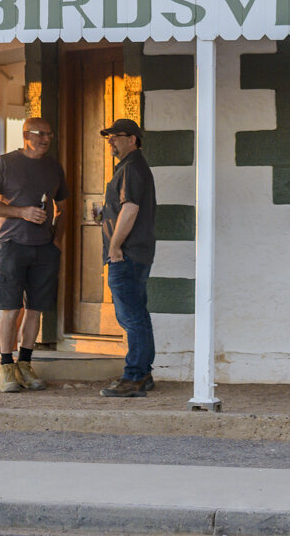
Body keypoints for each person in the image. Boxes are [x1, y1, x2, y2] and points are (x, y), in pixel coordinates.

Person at [0, 116, 70, 393]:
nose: (45, 139)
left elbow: (63, 207)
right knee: (10, 308)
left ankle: (26, 364)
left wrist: (57, 240)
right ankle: (6, 367)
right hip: (12, 245)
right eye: (40, 133)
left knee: (36, 309)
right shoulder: (4, 163)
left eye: (49, 134)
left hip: (44, 249)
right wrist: (21, 212)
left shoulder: (54, 168)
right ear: (25, 135)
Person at [95, 118, 158, 398]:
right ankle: (141, 374)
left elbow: (130, 209)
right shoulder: (131, 167)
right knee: (137, 316)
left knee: (132, 318)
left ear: (132, 139)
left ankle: (134, 376)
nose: (111, 141)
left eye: (116, 136)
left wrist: (115, 246)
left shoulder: (132, 167)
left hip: (126, 255)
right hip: (134, 253)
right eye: (108, 137)